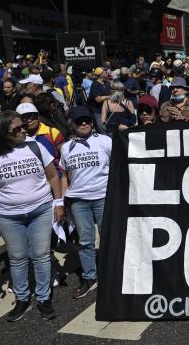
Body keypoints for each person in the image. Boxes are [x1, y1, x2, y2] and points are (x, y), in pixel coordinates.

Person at [0, 111, 64, 321]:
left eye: (22, 126)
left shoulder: (35, 146)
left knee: (41, 255)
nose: (23, 130)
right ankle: (23, 298)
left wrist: (58, 203)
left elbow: (53, 176)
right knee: (17, 258)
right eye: (16, 129)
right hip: (8, 217)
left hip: (40, 210)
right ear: (1, 134)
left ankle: (43, 298)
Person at [60, 106, 112, 299]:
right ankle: (89, 277)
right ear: (72, 124)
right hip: (78, 201)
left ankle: (111, 274)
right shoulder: (66, 148)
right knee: (85, 241)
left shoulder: (105, 141)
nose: (84, 124)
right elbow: (65, 176)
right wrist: (62, 201)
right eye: (79, 121)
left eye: (87, 120)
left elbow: (117, 167)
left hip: (103, 197)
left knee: (109, 237)